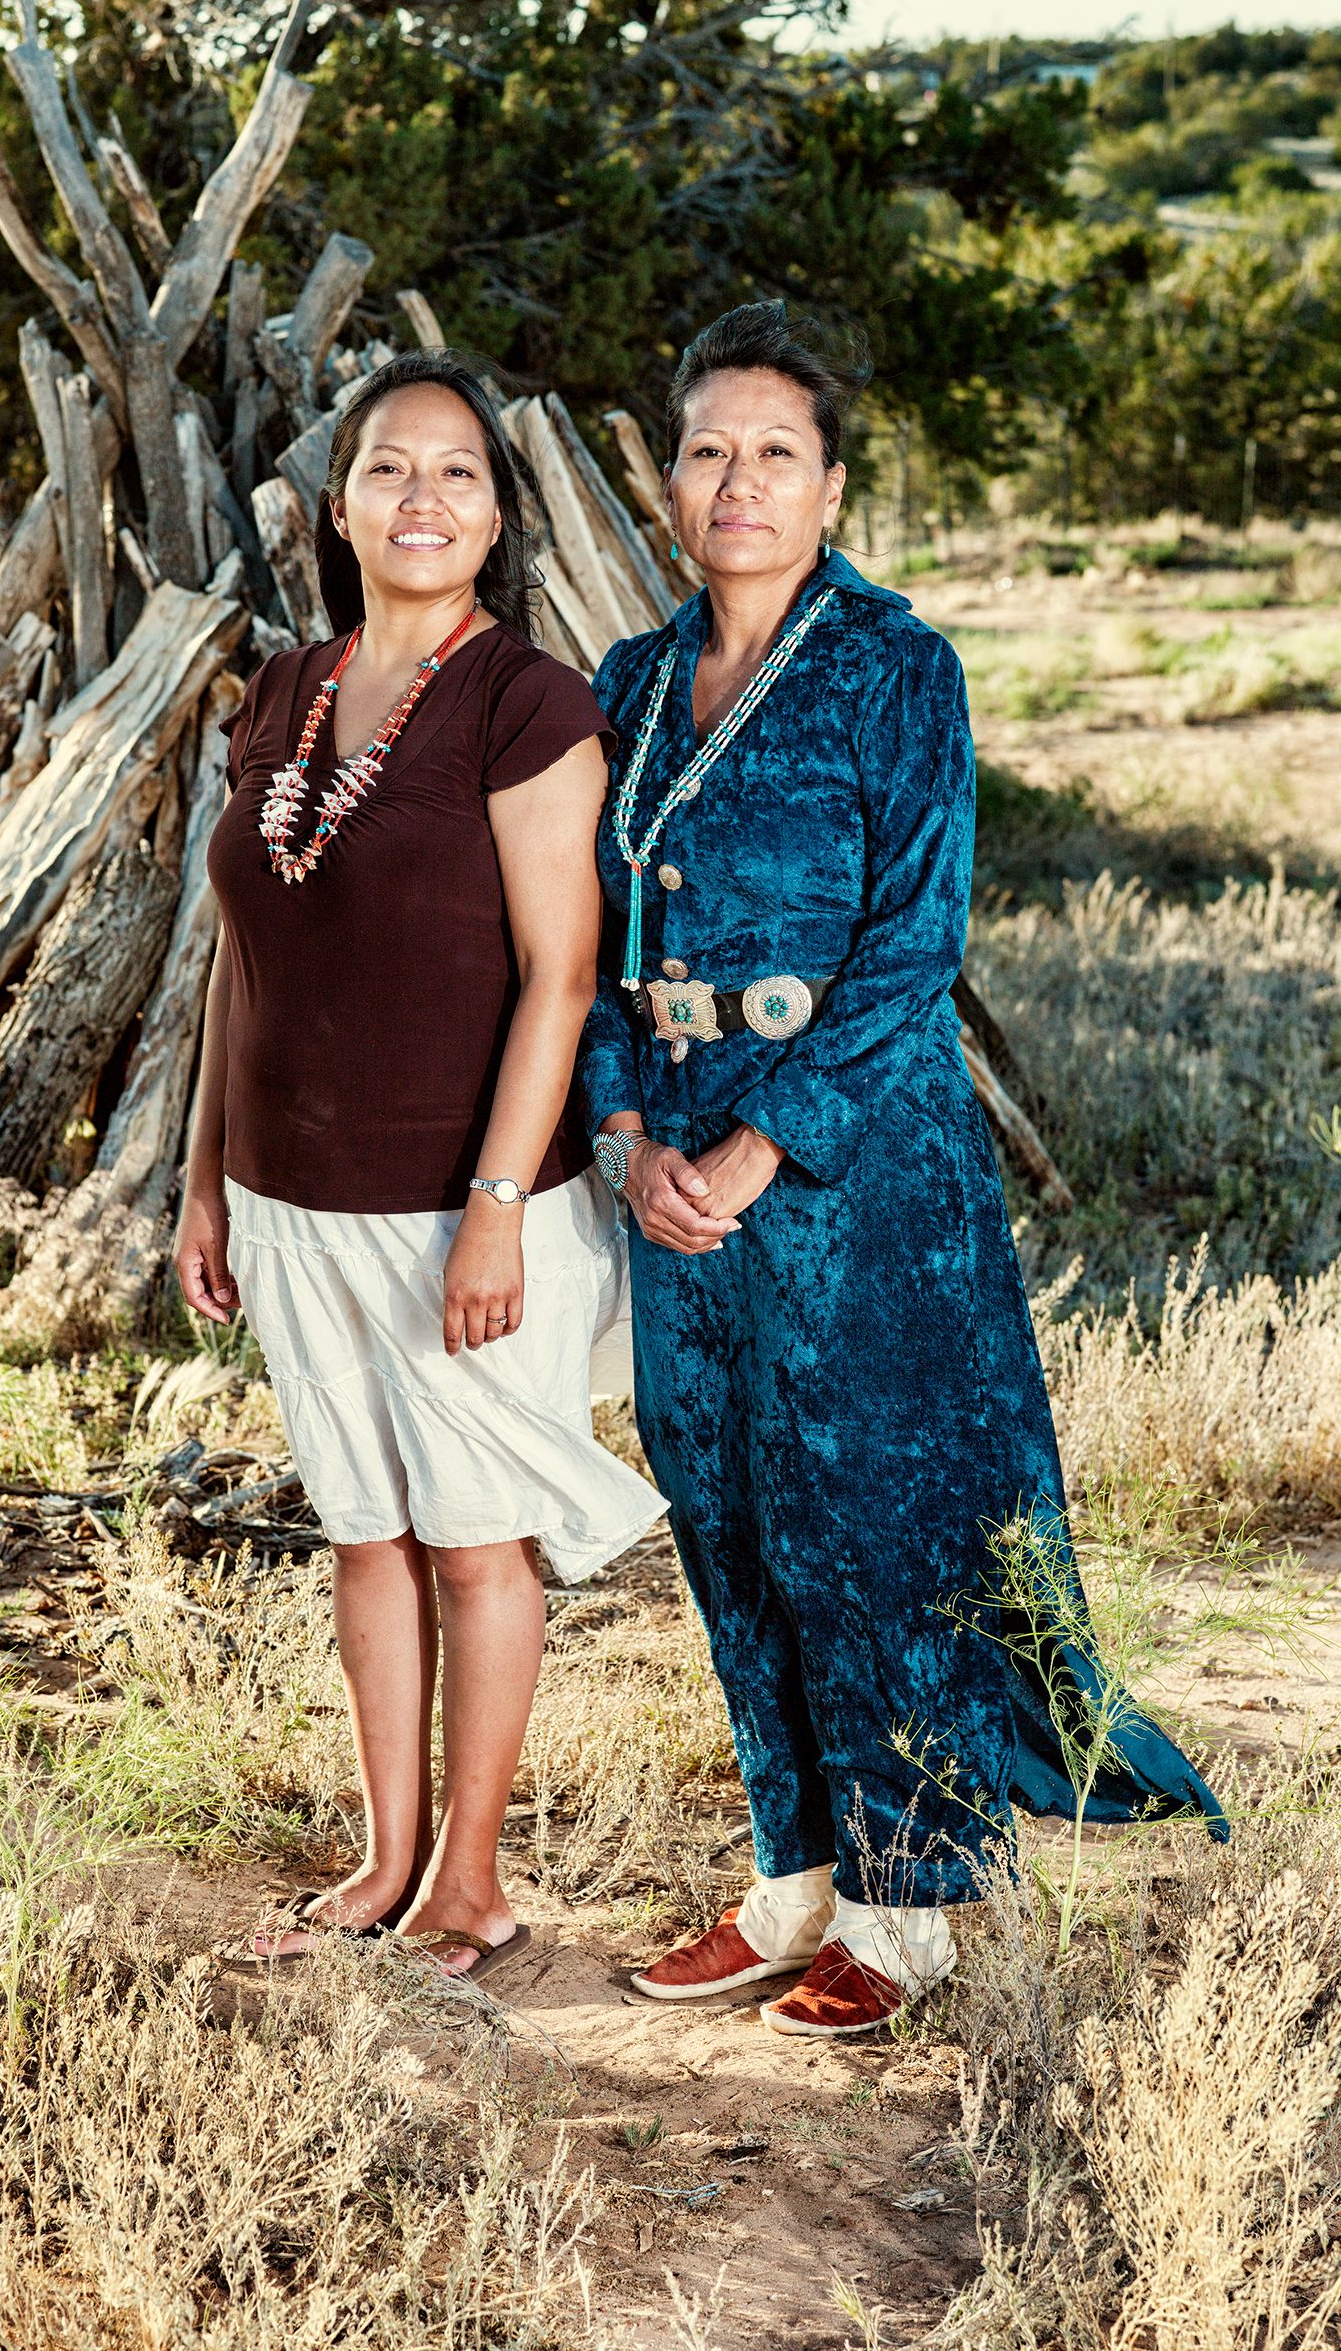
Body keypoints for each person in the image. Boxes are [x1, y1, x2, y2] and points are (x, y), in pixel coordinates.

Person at [579, 303, 1225, 2036]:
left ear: (832, 482)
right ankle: (792, 1877)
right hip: (672, 1178)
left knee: (867, 1525)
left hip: (854, 1179)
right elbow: (588, 946)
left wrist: (752, 1145)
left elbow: (910, 951)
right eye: (709, 447)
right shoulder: (632, 687)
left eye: (776, 452)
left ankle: (910, 1903)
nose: (739, 481)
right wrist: (634, 1137)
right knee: (722, 1514)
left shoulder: (895, 669)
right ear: (667, 475)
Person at [175, 351, 663, 1981]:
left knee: (473, 1538)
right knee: (364, 1531)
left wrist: (499, 1210)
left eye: (458, 473)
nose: (423, 499)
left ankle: (473, 1880)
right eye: (391, 469)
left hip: (461, 1204)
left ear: (497, 512)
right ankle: (385, 1858)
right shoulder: (282, 689)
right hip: (286, 1202)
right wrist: (202, 1181)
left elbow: (563, 978)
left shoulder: (525, 701)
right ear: (339, 505)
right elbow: (239, 958)